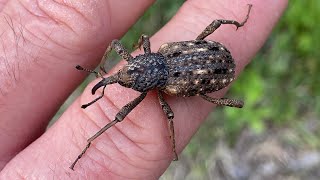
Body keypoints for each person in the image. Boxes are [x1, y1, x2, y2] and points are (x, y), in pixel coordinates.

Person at [0, 0, 287, 179]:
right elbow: (121, 44)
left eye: (126, 76)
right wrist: (104, 76)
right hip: (193, 60)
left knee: (132, 117)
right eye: (127, 75)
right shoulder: (156, 56)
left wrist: (172, 145)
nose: (122, 75)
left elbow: (126, 50)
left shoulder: (169, 84)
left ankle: (239, 23)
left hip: (211, 69)